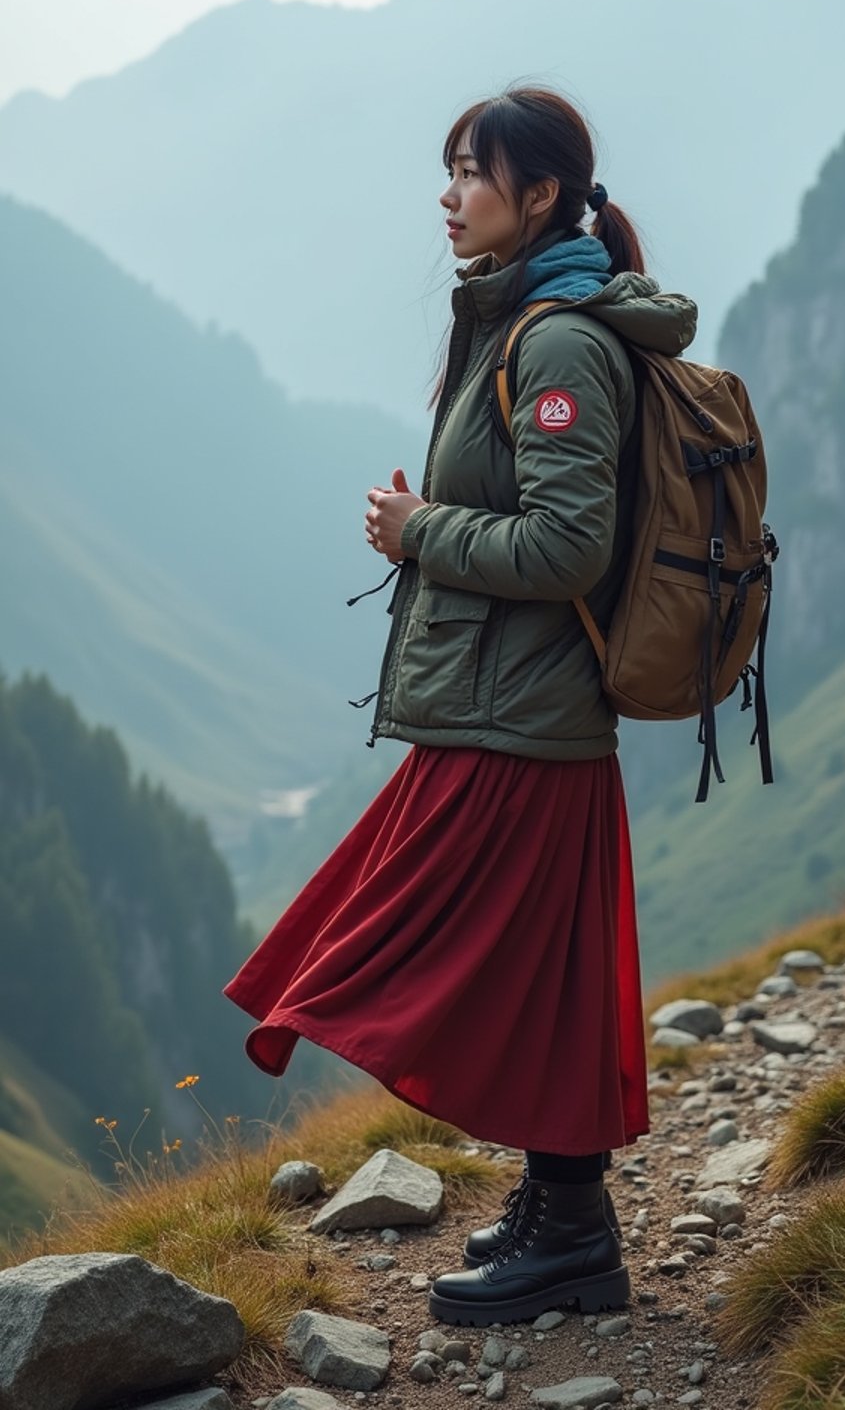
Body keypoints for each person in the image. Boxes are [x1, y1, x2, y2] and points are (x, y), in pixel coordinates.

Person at [223, 86, 698, 1327]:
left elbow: (565, 549)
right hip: (507, 717)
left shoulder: (555, 341)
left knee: (421, 957)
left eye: (470, 173)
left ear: (538, 196)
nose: (448, 195)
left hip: (521, 724)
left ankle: (571, 1235)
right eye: (449, 171)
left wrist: (418, 529)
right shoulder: (517, 322)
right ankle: (568, 1228)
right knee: (538, 983)